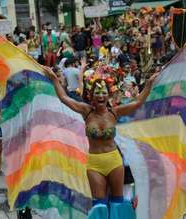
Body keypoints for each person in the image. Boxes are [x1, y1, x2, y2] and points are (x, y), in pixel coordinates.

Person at [43, 65, 159, 215]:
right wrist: (53, 79)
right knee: (99, 208)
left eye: (104, 92)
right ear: (91, 96)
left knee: (117, 205)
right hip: (95, 164)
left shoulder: (115, 113)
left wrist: (148, 84)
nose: (101, 95)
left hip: (114, 162)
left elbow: (137, 103)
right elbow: (64, 98)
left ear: (108, 95)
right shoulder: (86, 111)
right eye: (97, 93)